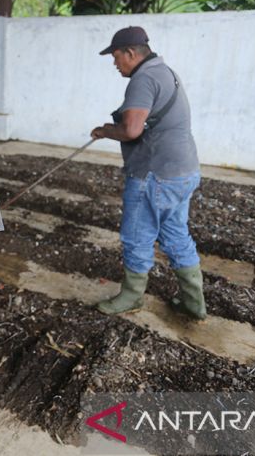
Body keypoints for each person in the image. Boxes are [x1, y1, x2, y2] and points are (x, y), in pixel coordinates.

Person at [90, 26, 206, 320]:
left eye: (116, 57)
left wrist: (105, 130)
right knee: (176, 234)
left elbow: (131, 130)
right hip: (183, 171)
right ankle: (194, 303)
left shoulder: (143, 79)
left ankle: (131, 296)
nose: (115, 64)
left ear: (130, 53)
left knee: (137, 236)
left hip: (156, 175)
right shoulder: (167, 73)